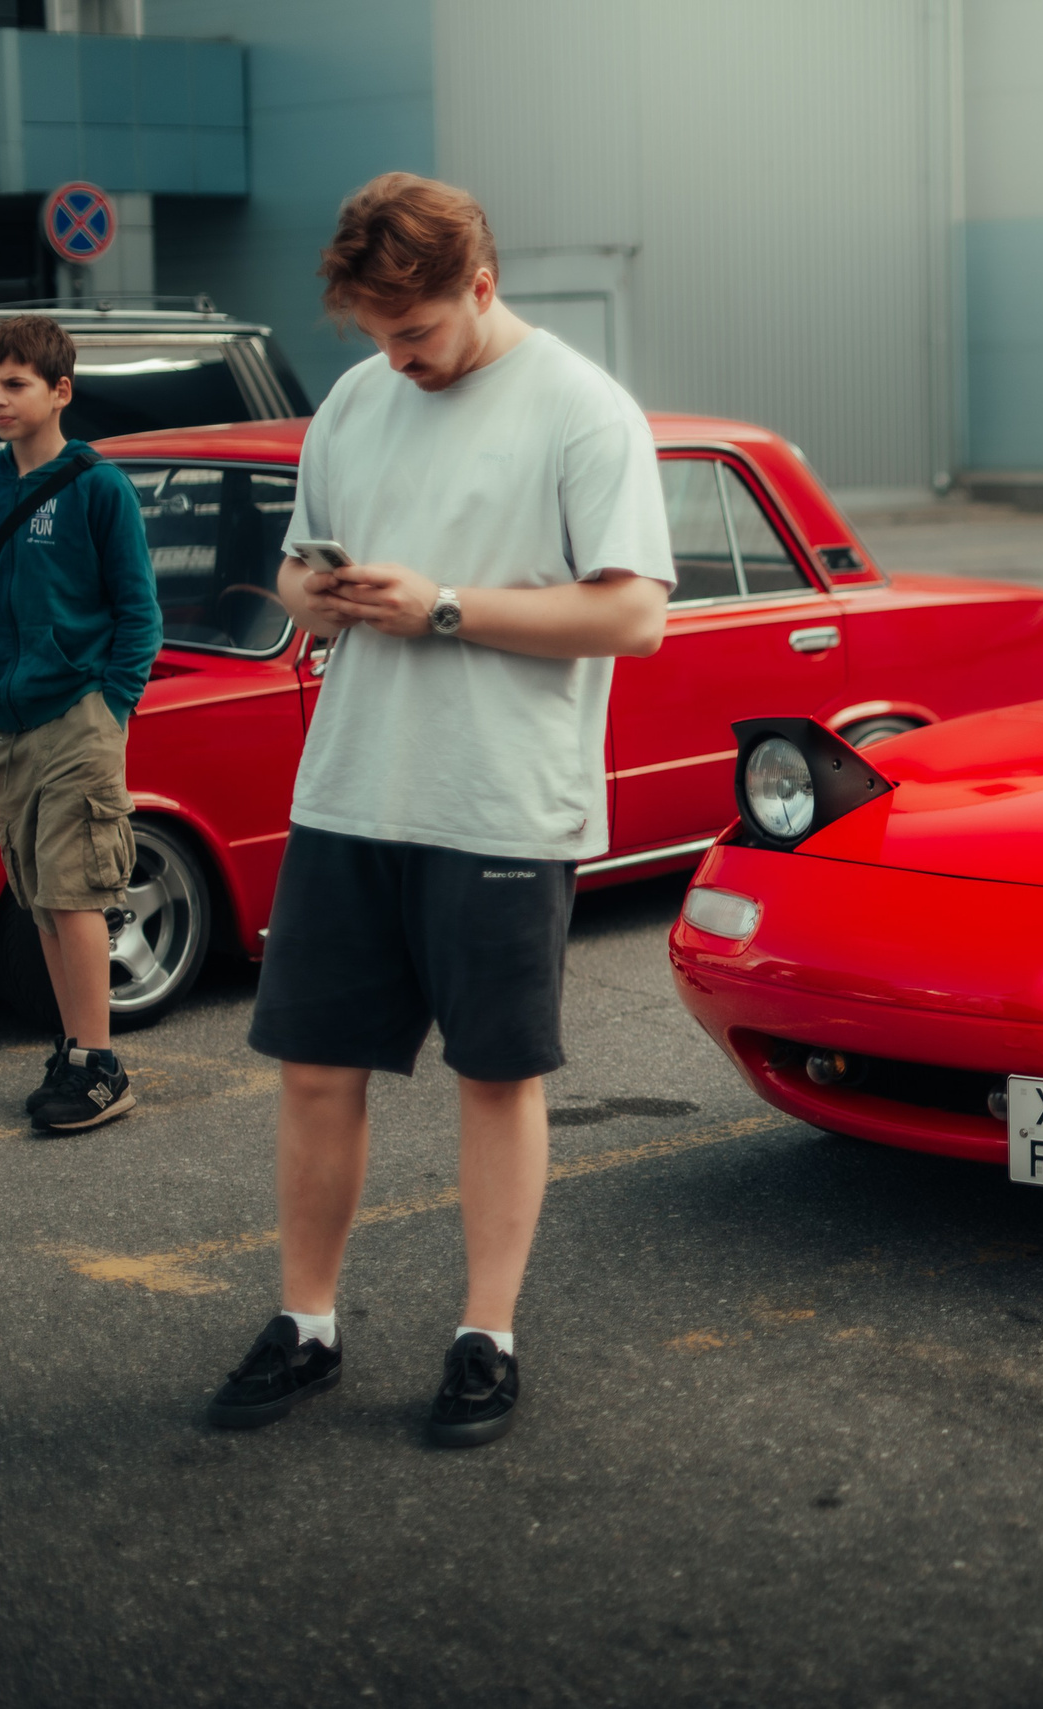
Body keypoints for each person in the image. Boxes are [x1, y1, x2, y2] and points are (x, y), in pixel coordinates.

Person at [202, 174, 673, 1448]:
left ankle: (486, 1336)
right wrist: (311, 593)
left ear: (482, 283)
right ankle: (306, 1323)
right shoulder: (356, 399)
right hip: (355, 784)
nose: (393, 359)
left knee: (494, 1074)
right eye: (371, 333)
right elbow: (304, 556)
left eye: (413, 332)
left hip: (503, 803)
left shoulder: (583, 407)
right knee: (313, 1070)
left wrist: (443, 605)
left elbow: (633, 613)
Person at [0, 315, 158, 1134]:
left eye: (16, 384)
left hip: (76, 717)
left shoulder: (99, 486)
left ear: (59, 391)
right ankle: (74, 1047)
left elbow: (139, 614)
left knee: (74, 892)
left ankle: (101, 1067)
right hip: (1, 719)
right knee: (37, 894)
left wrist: (110, 708)